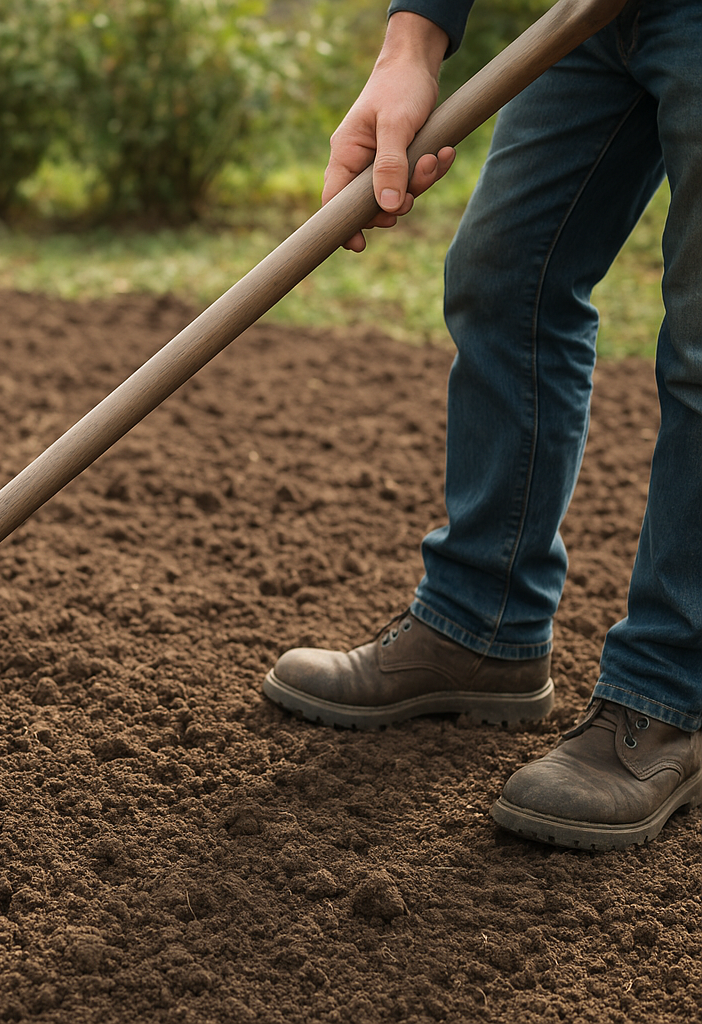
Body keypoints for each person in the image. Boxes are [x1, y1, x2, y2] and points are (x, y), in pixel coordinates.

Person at [262, 0, 702, 851]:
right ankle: (482, 624)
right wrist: (412, 42)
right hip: (596, 12)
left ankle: (668, 698)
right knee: (503, 278)